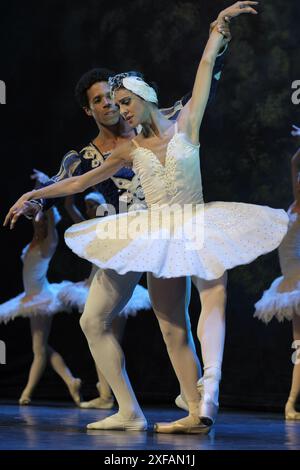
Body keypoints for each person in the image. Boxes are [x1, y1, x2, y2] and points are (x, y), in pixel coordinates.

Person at [6, 2, 287, 435]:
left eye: (125, 101)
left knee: (212, 299)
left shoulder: (187, 121)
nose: (121, 109)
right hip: (156, 234)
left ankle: (208, 391)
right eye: (114, 103)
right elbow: (78, 183)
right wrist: (34, 193)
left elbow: (206, 66)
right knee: (170, 324)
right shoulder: (127, 149)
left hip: (198, 224)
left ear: (145, 97)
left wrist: (218, 28)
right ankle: (195, 410)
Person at [61, 191, 151, 409]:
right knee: (99, 339)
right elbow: (69, 207)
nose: (88, 209)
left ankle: (114, 397)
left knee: (111, 339)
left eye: (92, 205)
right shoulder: (89, 229)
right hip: (96, 285)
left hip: (115, 286)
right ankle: (106, 394)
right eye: (87, 205)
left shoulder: (113, 227)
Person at [0, 170, 82, 406]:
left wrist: (46, 183)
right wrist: (38, 185)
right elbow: (35, 211)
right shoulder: (34, 241)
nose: (37, 225)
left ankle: (26, 393)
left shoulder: (50, 242)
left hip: (41, 300)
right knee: (42, 347)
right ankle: (70, 380)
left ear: (48, 223)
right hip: (30, 297)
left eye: (41, 222)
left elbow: (49, 214)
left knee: (39, 349)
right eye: (36, 223)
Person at [254, 125, 300, 420]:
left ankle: (291, 401)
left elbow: (295, 164)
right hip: (293, 282)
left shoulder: (294, 206)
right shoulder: (295, 205)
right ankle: (291, 402)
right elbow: (294, 164)